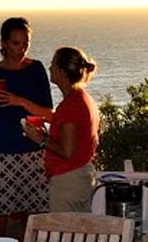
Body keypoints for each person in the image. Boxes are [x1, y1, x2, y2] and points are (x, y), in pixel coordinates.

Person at [0, 18, 53, 236]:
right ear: (3, 43)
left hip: (33, 152)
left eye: (25, 43)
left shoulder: (36, 69)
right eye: (15, 43)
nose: (21, 49)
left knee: (33, 221)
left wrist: (19, 100)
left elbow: (48, 114)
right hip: (2, 151)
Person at [20, 47, 99, 215]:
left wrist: (41, 139)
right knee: (78, 232)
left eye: (53, 64)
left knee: (65, 234)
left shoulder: (70, 106)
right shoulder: (82, 99)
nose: (49, 68)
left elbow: (67, 151)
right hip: (81, 175)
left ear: (62, 72)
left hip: (68, 180)